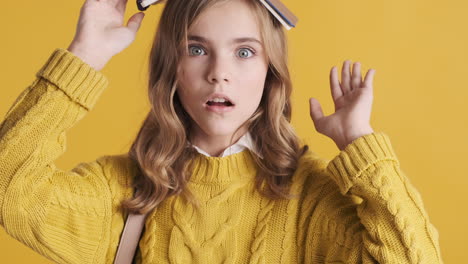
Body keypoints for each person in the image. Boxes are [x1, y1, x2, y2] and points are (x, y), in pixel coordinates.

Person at [0, 0, 443, 263]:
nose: (219, 74)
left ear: (271, 71)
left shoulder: (309, 199)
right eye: (196, 49)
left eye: (244, 52)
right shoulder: (126, 192)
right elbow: (9, 191)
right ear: (171, 66)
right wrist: (85, 55)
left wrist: (361, 147)